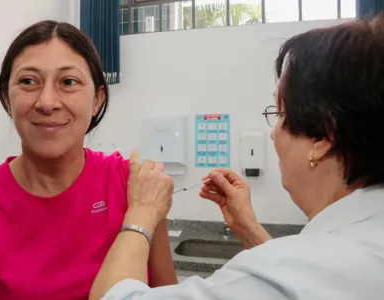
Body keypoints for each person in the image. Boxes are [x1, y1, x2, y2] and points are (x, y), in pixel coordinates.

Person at [89, 15, 384, 300]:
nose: (273, 134)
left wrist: (142, 210)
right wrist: (248, 228)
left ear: (322, 137)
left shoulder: (292, 271)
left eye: (279, 113)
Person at [0, 20, 177, 299]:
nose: (47, 102)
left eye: (68, 82)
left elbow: (167, 294)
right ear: (6, 98)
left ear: (97, 99)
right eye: (28, 81)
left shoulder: (135, 187)